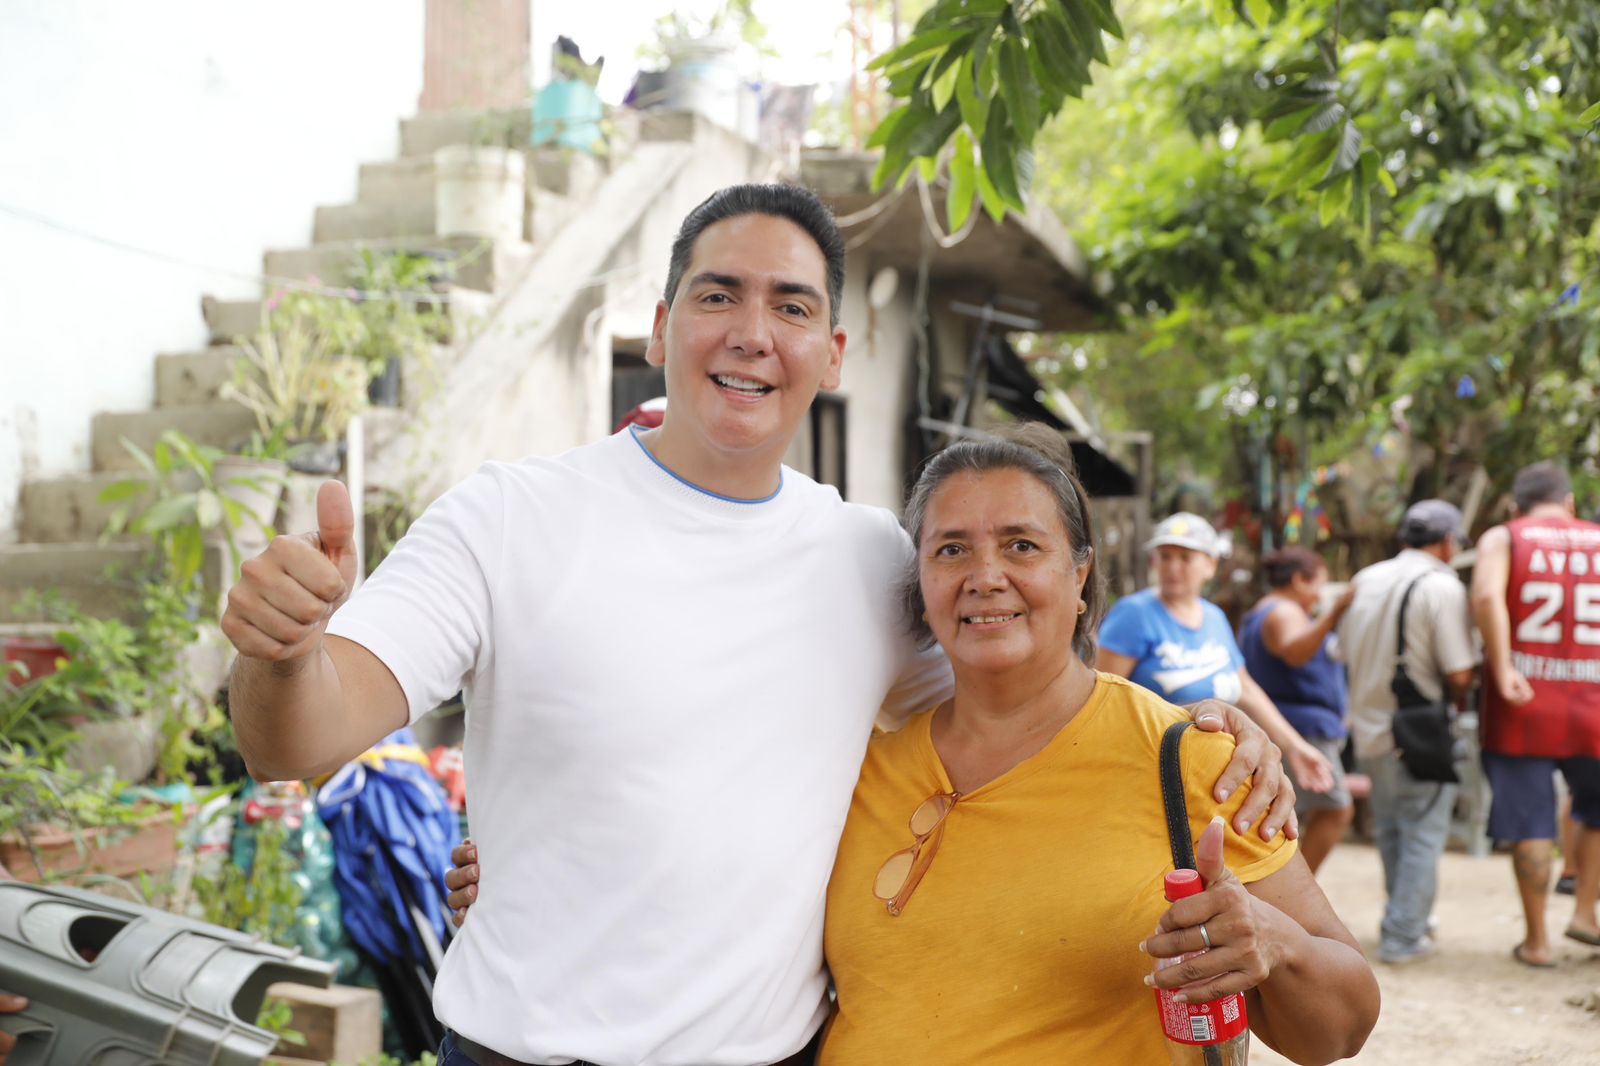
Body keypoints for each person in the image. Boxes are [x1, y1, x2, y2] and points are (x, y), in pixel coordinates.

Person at [221, 184, 1293, 1066]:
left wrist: (1200, 733)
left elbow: (1016, 716)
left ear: (833, 352)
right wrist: (283, 653)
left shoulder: (871, 559)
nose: (751, 334)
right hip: (518, 1052)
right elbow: (295, 739)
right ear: (661, 326)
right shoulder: (507, 518)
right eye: (717, 294)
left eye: (789, 306)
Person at [453, 428, 1380, 1063]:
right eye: (951, 549)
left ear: (1082, 576)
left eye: (1022, 546)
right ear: (919, 583)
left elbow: (1343, 1023)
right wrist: (529, 872)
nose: (986, 576)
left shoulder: (1189, 758)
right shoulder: (855, 765)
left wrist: (1274, 947)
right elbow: (703, 869)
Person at [1097, 512, 1338, 819]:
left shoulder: (1214, 617)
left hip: (1212, 775)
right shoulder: (1134, 614)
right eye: (1165, 556)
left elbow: (1245, 688)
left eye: (1185, 558)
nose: (1172, 567)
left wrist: (1295, 746)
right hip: (1152, 774)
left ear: (1210, 565)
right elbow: (1105, 697)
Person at [1470, 460, 1600, 967]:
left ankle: (1538, 941)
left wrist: (1503, 667)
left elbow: (1486, 594)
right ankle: (1585, 914)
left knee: (1530, 820)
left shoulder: (1505, 537)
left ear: (1516, 505)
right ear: (1569, 501)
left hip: (1523, 701)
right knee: (1597, 809)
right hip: (1593, 701)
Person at [1339, 499, 1477, 965]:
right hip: (1416, 733)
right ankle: (1403, 935)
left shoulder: (1365, 579)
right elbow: (1459, 672)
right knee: (1422, 833)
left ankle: (1403, 918)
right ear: (1447, 542)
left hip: (1369, 729)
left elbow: (1342, 653)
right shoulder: (1441, 586)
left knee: (1393, 830)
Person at [1239, 547, 1358, 873]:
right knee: (1336, 810)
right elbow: (1294, 652)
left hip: (1297, 726)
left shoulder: (1262, 611)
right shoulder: (1283, 612)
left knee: (1291, 813)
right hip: (1301, 729)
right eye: (1318, 584)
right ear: (1299, 581)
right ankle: (1300, 890)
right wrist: (1334, 615)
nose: (1320, 595)